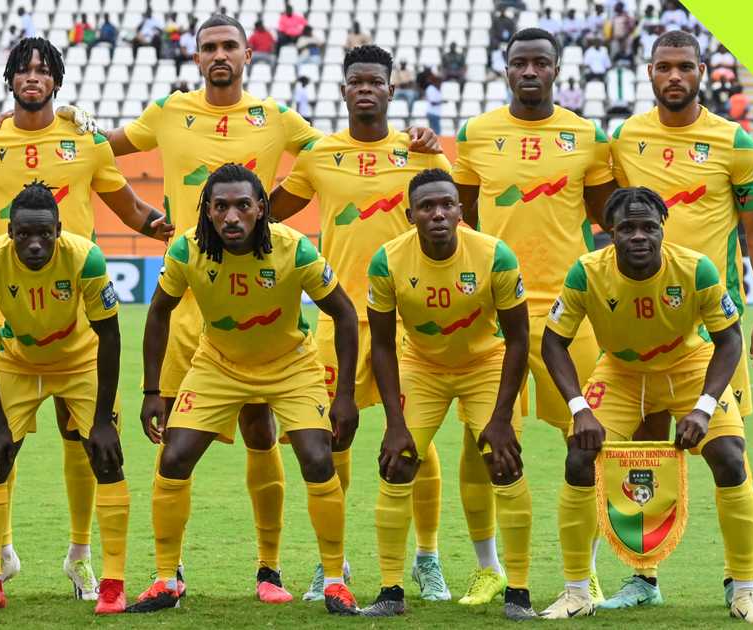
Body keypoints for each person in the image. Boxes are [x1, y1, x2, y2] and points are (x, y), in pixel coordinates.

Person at [95, 17, 439, 604]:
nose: (219, 54)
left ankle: (278, 569)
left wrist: (416, 138)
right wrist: (129, 202)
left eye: (229, 45)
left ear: (248, 55)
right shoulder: (167, 110)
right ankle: (168, 572)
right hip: (193, 312)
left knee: (283, 435)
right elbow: (99, 153)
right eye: (209, 47)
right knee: (174, 449)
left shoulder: (277, 118)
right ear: (196, 56)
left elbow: (342, 149)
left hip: (305, 316)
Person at [0, 38, 170, 606]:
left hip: (78, 309)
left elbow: (131, 209)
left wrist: (171, 226)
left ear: (57, 80)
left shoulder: (87, 137)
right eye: (24, 69)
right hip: (9, 314)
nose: (33, 76)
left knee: (83, 440)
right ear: (8, 79)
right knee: (1, 438)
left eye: (43, 69)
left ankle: (80, 555)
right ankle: (0, 553)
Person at [539, 187, 753, 625]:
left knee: (729, 457)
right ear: (609, 233)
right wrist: (579, 408)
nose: (638, 236)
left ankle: (744, 591)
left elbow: (728, 340)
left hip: (688, 366)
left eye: (648, 227)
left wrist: (705, 407)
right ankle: (576, 591)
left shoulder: (695, 268)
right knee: (579, 457)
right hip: (621, 373)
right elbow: (553, 340)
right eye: (626, 228)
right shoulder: (586, 272)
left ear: (662, 229)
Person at [129, 164, 361, 615]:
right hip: (218, 363)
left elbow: (346, 314)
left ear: (261, 210)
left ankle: (335, 581)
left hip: (290, 365)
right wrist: (152, 390)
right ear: (207, 213)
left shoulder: (294, 248)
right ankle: (164, 580)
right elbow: (158, 313)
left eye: (242, 206)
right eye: (220, 207)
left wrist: (345, 396)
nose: (231, 216)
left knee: (317, 458)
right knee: (174, 456)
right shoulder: (187, 249)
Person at [269, 44, 452, 603]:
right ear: (344, 91)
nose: (366, 88)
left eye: (377, 80)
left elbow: (459, 221)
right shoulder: (320, 155)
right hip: (338, 319)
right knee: (332, 442)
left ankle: (427, 558)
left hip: (407, 323)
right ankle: (335, 563)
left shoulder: (421, 154)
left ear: (392, 90)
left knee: (416, 442)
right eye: (357, 81)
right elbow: (268, 213)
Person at [606, 31, 753, 609]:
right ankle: (644, 577)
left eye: (684, 67)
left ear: (702, 71)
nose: (674, 77)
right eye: (664, 67)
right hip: (641, 327)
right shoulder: (627, 137)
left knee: (727, 453)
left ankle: (741, 584)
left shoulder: (734, 142)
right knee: (646, 452)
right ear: (649, 73)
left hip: (711, 329)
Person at [452, 27, 616, 606]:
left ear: (556, 70)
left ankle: (585, 570)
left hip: (570, 312)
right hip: (492, 313)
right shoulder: (476, 135)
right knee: (483, 442)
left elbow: (604, 219)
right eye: (519, 63)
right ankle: (488, 567)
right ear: (505, 70)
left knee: (588, 439)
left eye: (539, 63)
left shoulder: (586, 137)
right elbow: (462, 217)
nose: (529, 72)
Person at [358, 169, 534, 619]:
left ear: (461, 211)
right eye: (427, 207)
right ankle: (390, 592)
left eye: (447, 205)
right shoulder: (387, 261)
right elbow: (381, 344)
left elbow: (518, 340)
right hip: (422, 366)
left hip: (485, 364)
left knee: (503, 459)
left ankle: (518, 592)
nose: (438, 214)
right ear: (410, 215)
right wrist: (394, 425)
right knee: (397, 463)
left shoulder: (495, 256)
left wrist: (500, 416)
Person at [0, 183, 130, 615]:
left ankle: (109, 579)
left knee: (106, 456)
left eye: (44, 235)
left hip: (79, 362)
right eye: (23, 235)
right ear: (9, 231)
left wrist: (104, 419)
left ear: (59, 229)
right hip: (17, 363)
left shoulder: (85, 257)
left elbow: (110, 335)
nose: (34, 245)